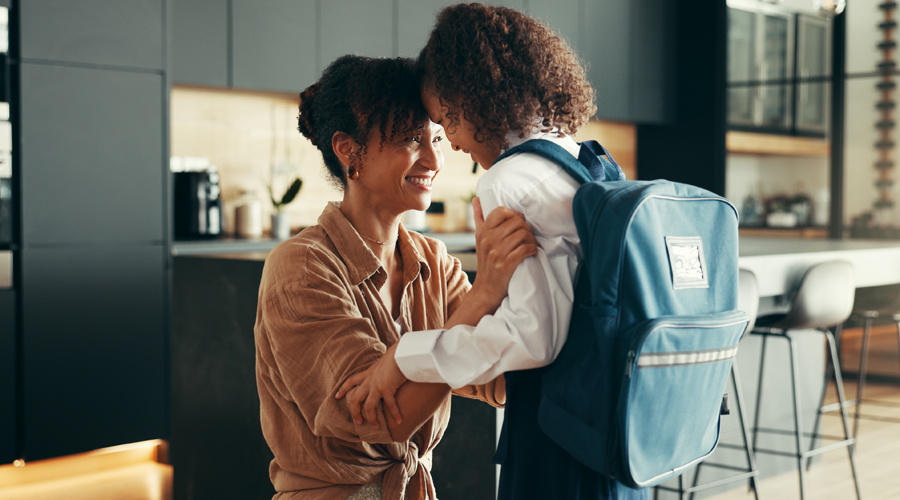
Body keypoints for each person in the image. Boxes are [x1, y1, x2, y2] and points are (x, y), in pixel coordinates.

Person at [336, 4, 649, 499]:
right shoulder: (579, 158)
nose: (452, 148)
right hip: (614, 429)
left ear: (472, 99)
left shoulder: (508, 180)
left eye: (445, 123)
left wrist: (402, 356)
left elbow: (533, 339)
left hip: (562, 439)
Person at [254, 54, 537, 500]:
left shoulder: (433, 261)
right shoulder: (301, 267)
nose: (433, 158)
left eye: (437, 138)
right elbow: (382, 420)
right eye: (410, 138)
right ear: (349, 150)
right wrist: (484, 293)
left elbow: (488, 373)